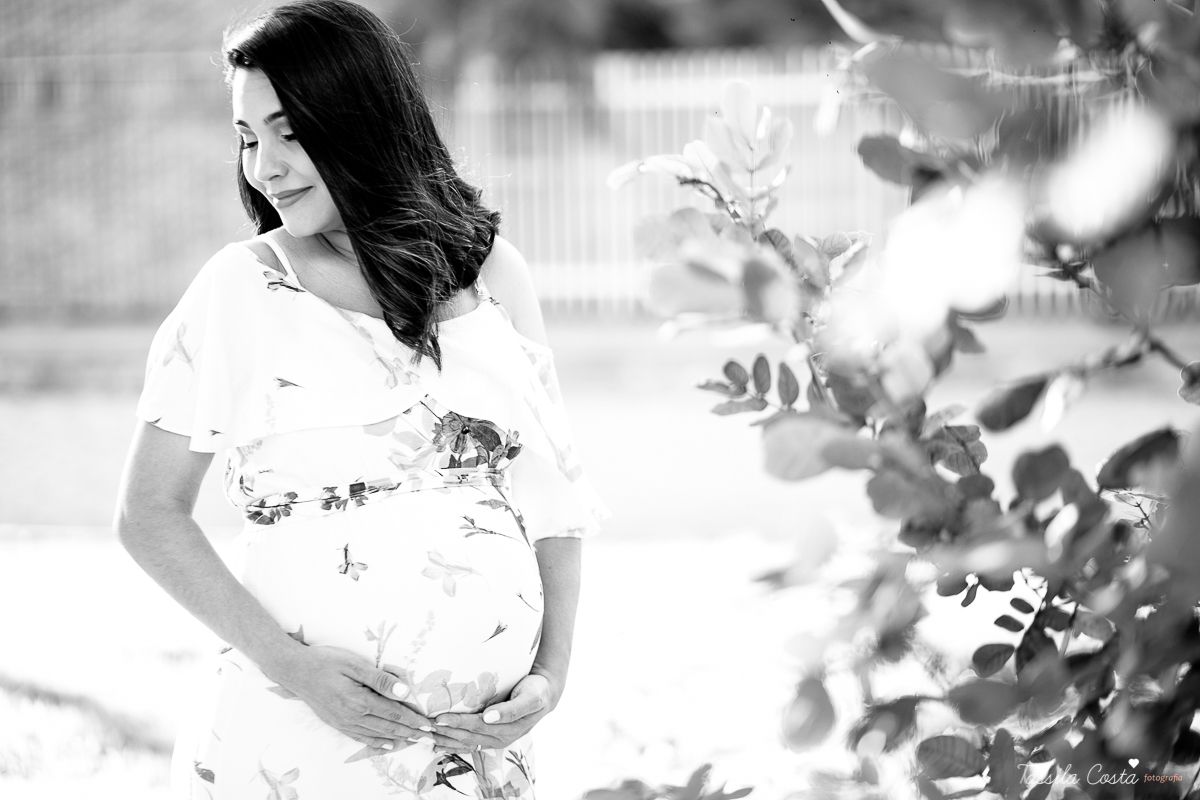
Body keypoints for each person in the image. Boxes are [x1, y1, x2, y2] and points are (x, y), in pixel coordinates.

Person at [112, 1, 608, 797]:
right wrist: (293, 670)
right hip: (295, 736)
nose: (262, 166)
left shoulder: (494, 275)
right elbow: (148, 514)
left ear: (360, 119)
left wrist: (551, 675)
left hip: (474, 749)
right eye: (246, 137)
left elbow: (553, 497)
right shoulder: (242, 289)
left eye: (289, 132)